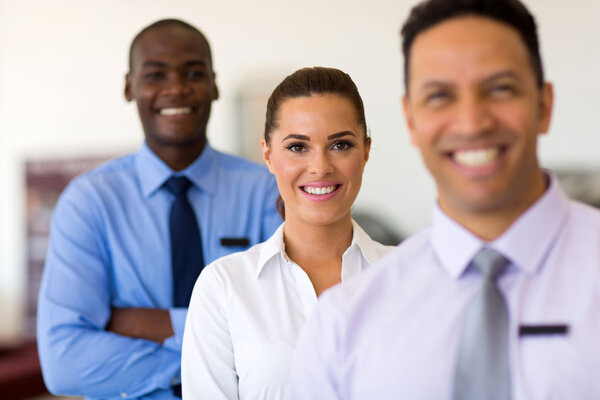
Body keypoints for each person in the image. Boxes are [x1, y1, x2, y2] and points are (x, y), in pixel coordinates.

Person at [287, 1, 600, 399]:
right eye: (440, 96)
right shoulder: (347, 319)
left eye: (500, 89)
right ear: (411, 119)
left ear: (544, 104)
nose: (472, 122)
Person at [36, 19, 281, 400]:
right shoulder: (88, 203)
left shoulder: (267, 192)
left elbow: (288, 332)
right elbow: (64, 362)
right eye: (155, 74)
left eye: (193, 73)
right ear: (129, 87)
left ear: (214, 85)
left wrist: (151, 324)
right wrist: (213, 350)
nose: (176, 88)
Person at [181, 67, 394, 399]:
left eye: (340, 144)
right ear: (268, 154)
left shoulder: (412, 276)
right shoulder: (224, 287)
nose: (320, 167)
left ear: (366, 151)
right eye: (297, 147)